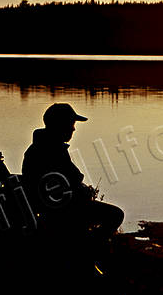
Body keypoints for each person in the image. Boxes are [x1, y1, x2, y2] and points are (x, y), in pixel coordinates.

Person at [21, 103, 124, 242]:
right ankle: (87, 249)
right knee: (116, 215)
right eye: (71, 123)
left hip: (53, 206)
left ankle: (84, 246)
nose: (73, 128)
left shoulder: (43, 146)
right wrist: (83, 190)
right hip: (59, 210)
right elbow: (71, 180)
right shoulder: (53, 150)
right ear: (61, 125)